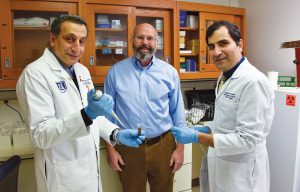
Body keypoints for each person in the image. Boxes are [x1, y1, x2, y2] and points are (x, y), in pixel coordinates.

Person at [16, 15, 145, 192]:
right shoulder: (35, 74)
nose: (77, 48)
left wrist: (116, 133)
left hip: (89, 171)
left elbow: (94, 117)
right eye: (70, 39)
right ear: (53, 40)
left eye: (82, 41)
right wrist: (87, 114)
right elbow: (41, 134)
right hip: (61, 176)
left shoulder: (81, 71)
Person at [171, 20, 274, 192]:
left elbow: (247, 140)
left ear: (239, 44)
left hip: (242, 173)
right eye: (211, 46)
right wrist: (208, 129)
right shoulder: (225, 76)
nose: (216, 52)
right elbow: (228, 121)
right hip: (223, 164)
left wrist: (198, 137)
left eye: (223, 43)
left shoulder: (253, 81)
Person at [104, 23, 186, 192]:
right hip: (128, 148)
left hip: (163, 145)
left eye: (150, 38)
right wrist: (110, 149)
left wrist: (180, 148)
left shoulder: (169, 73)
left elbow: (177, 113)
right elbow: (107, 116)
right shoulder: (115, 72)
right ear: (132, 40)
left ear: (157, 42)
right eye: (140, 37)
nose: (145, 42)